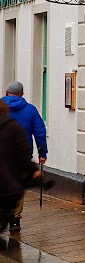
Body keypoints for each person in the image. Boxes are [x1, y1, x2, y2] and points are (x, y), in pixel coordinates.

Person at [3, 81, 47, 235]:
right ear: (22, 94)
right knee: (18, 186)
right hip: (22, 157)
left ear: (7, 93)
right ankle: (15, 218)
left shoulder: (1, 108)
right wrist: (42, 154)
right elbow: (40, 132)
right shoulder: (30, 110)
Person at [0, 98, 34, 236]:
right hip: (13, 169)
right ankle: (15, 219)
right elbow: (23, 151)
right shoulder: (16, 125)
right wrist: (33, 169)